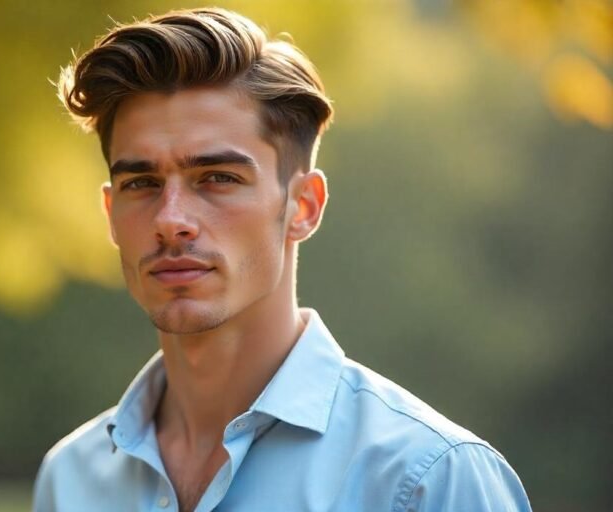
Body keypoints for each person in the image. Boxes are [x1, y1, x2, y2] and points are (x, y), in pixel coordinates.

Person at [33, 7, 531, 512]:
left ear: (303, 207)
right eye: (141, 183)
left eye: (218, 177)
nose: (171, 219)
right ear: (111, 212)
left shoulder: (430, 478)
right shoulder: (71, 478)